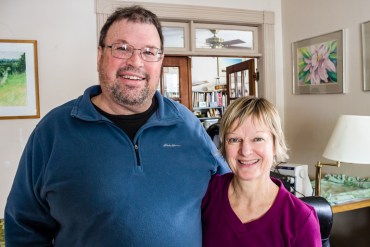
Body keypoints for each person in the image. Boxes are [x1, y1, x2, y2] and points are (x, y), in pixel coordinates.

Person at [5, 5, 228, 247]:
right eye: (122, 48)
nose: (135, 62)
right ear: (100, 55)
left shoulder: (188, 125)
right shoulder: (53, 131)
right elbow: (24, 229)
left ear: (160, 60)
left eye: (149, 52)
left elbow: (233, 198)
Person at [201, 96, 321, 247]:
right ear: (224, 144)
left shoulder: (300, 219)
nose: (245, 151)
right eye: (234, 139)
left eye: (257, 139)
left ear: (275, 144)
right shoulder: (207, 193)